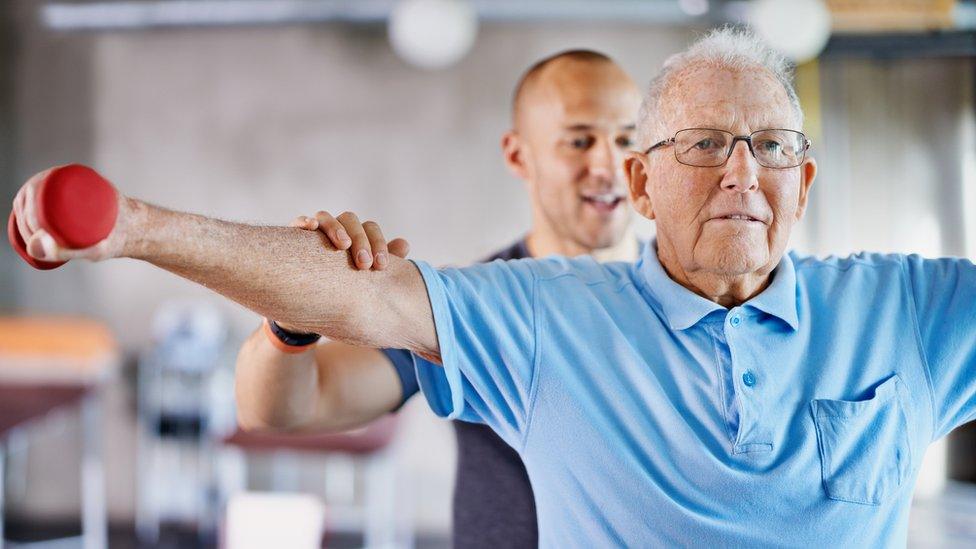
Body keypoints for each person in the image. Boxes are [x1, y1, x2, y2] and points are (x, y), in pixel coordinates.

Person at [11, 27, 975, 547]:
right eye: (704, 145)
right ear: (646, 181)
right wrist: (131, 227)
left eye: (770, 146)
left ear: (805, 179)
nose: (739, 172)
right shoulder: (529, 306)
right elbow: (332, 329)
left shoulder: (901, 312)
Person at [234, 49, 642, 548]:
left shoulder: (685, 294)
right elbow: (282, 408)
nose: (608, 165)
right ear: (518, 155)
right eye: (579, 141)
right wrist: (292, 315)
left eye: (626, 139)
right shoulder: (465, 305)